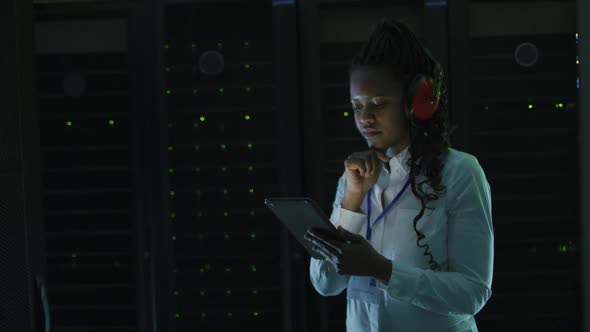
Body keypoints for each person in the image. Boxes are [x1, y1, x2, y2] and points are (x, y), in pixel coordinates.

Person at [304, 18, 494, 332]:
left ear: (416, 103)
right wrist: (352, 200)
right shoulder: (350, 179)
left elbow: (472, 293)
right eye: (357, 106)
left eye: (378, 103)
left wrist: (383, 270)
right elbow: (325, 284)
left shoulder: (461, 172)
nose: (365, 117)